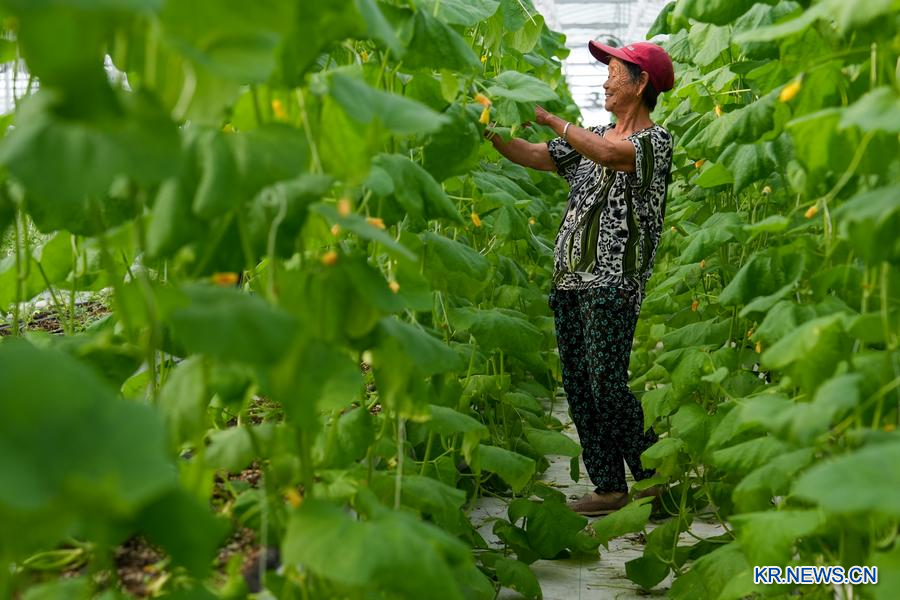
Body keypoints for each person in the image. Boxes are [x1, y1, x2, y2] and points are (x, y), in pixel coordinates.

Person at [485, 41, 676, 516]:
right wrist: (486, 126)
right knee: (579, 385)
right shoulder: (589, 137)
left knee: (607, 382)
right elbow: (530, 154)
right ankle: (609, 486)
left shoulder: (654, 142)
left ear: (641, 82)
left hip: (614, 281)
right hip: (570, 282)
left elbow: (611, 155)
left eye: (613, 71)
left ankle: (653, 477)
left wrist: (553, 119)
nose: (605, 82)